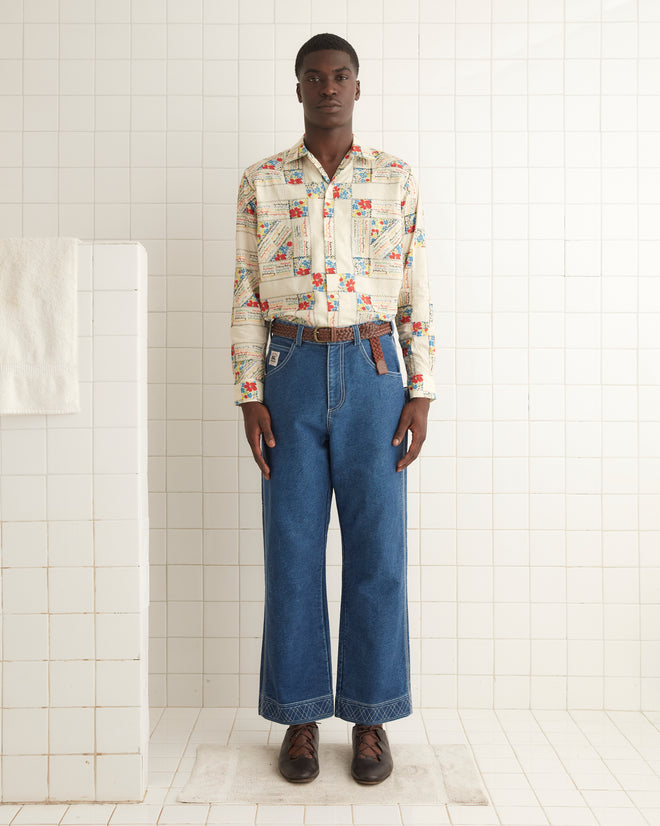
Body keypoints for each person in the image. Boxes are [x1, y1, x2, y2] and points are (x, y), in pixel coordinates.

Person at [231, 32, 435, 785]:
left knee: (378, 554)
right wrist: (249, 394)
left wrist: (421, 387)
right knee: (291, 551)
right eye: (313, 77)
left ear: (357, 86)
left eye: (339, 76)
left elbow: (415, 287)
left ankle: (372, 717)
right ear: (297, 89)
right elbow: (247, 290)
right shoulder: (262, 182)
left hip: (376, 366)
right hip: (288, 365)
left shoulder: (395, 179)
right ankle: (300, 719)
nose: (327, 87)